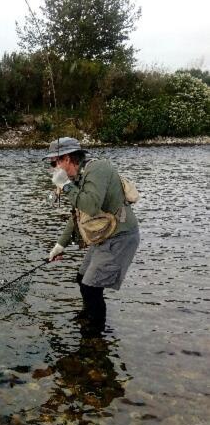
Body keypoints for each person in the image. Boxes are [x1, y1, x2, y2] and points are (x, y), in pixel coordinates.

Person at [43, 137, 140, 329]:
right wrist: (60, 245)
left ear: (68, 159)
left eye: (54, 163)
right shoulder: (76, 177)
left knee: (91, 287)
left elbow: (91, 206)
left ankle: (94, 335)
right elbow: (78, 216)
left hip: (120, 237)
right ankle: (88, 317)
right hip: (104, 236)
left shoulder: (98, 169)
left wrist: (66, 186)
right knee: (82, 278)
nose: (53, 168)